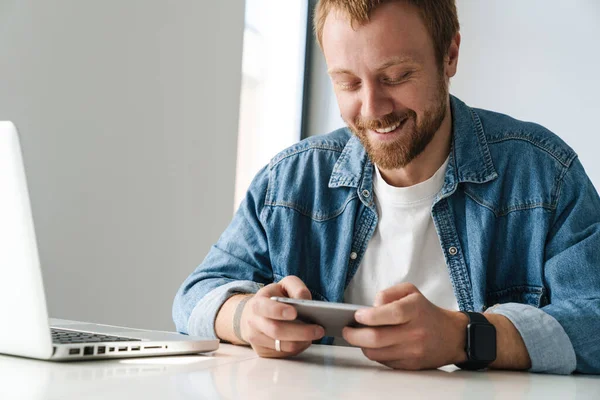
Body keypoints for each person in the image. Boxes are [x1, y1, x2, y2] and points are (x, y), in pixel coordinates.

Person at [173, 0, 600, 374]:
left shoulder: (544, 174)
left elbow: (594, 321)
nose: (373, 109)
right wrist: (247, 317)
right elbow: (194, 296)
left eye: (395, 76)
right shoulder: (291, 179)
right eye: (348, 83)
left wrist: (464, 337)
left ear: (449, 55)